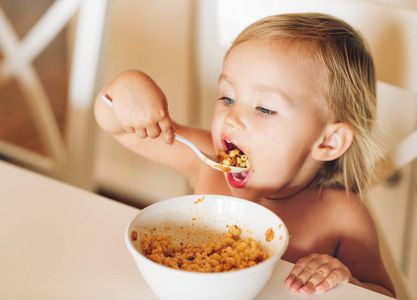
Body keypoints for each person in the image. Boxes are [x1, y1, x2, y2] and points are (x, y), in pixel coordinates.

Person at [94, 13, 395, 297]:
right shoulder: (208, 163)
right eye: (227, 97)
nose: (231, 118)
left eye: (265, 108)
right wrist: (126, 87)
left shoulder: (342, 216)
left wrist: (345, 280)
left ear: (328, 141)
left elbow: (384, 295)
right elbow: (117, 127)